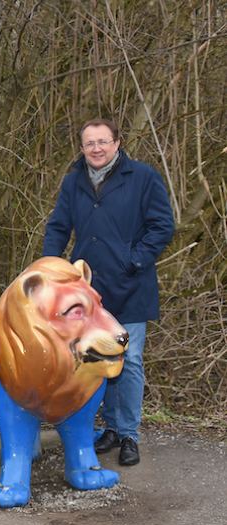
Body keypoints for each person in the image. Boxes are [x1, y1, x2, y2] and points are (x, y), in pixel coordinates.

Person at [43, 118, 175, 467]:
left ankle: (129, 434)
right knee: (94, 361)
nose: (96, 149)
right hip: (86, 292)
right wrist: (49, 268)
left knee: (128, 361)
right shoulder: (74, 181)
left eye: (103, 141)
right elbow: (58, 226)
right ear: (82, 147)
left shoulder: (143, 177)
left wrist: (134, 261)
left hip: (131, 287)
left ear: (117, 143)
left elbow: (163, 226)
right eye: (90, 143)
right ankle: (110, 428)